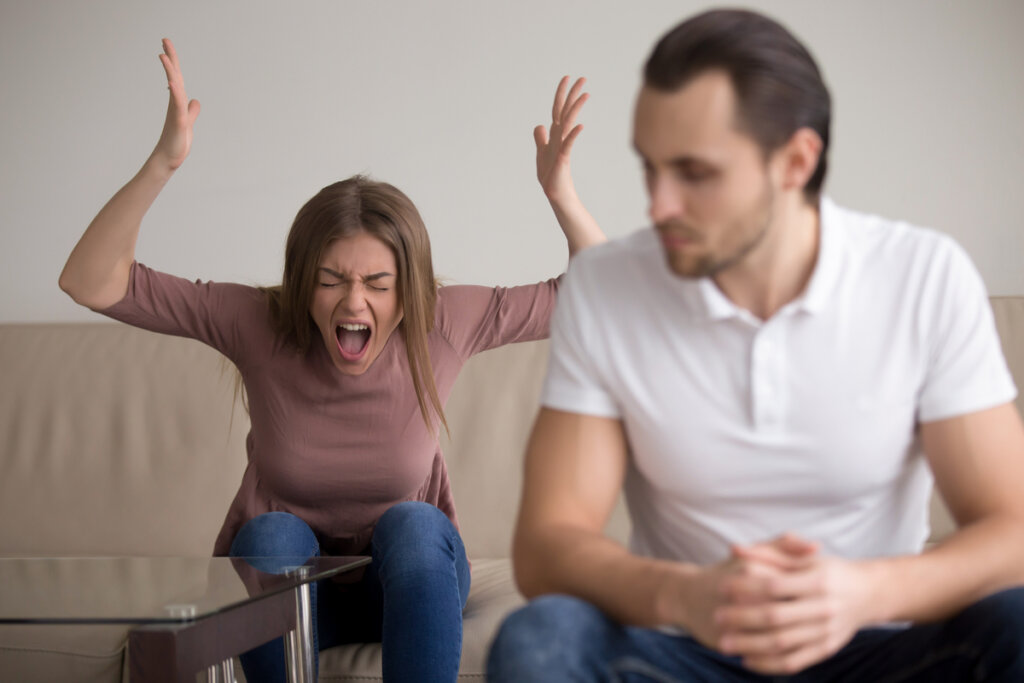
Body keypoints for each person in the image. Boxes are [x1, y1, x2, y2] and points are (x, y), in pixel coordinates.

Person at [487, 8, 1024, 682]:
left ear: (796, 161)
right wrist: (684, 593)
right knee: (541, 639)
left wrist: (862, 591)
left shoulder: (923, 276)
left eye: (695, 174)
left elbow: (1012, 531)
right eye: (650, 169)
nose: (658, 205)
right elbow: (547, 544)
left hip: (878, 646)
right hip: (686, 647)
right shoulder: (606, 285)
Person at [58, 39, 604, 683]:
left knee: (414, 523)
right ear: (300, 281)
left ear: (410, 288)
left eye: (378, 283)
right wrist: (163, 163)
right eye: (331, 280)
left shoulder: (443, 321)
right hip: (290, 600)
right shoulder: (258, 321)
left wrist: (561, 193)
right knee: (270, 537)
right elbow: (91, 282)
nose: (354, 301)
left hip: (413, 589)